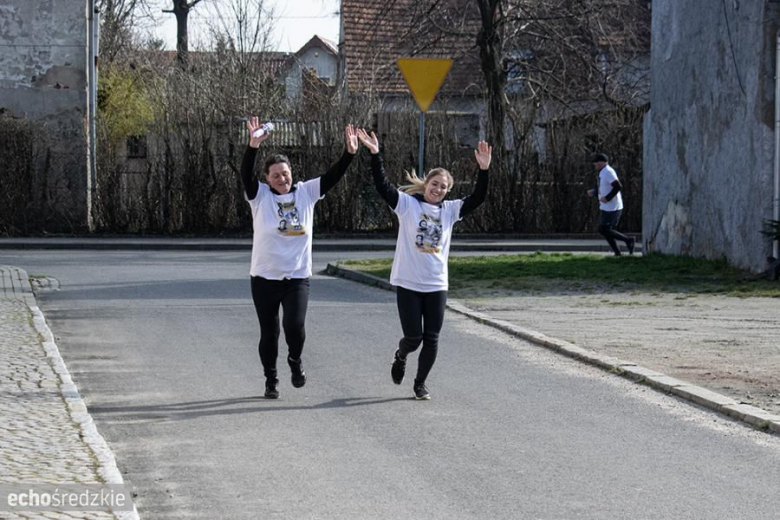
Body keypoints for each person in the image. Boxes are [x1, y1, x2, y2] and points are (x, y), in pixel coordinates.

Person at [356, 128, 491, 400]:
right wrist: (375, 154)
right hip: (408, 281)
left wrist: (484, 170)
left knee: (432, 338)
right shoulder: (407, 205)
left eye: (444, 187)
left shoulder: (451, 211)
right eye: (435, 184)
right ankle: (401, 354)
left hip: (436, 283)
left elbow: (477, 198)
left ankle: (420, 383)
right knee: (414, 338)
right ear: (426, 183)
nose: (438, 189)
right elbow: (382, 186)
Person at [241, 117, 358, 398]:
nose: (282, 179)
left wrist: (349, 154)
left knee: (294, 326)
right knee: (269, 334)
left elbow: (333, 176)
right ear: (268, 179)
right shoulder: (259, 196)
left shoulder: (306, 192)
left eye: (285, 173)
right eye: (276, 175)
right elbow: (246, 174)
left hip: (296, 277)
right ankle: (271, 380)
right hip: (264, 277)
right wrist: (252, 147)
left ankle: (295, 360)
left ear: (292, 173)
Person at [587, 153, 635, 256]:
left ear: (602, 162)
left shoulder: (608, 172)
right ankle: (618, 252)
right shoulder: (602, 172)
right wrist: (595, 192)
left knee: (603, 229)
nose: (595, 164)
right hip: (606, 206)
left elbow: (618, 186)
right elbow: (603, 186)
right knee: (605, 230)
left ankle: (628, 240)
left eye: (596, 162)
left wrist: (607, 198)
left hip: (613, 207)